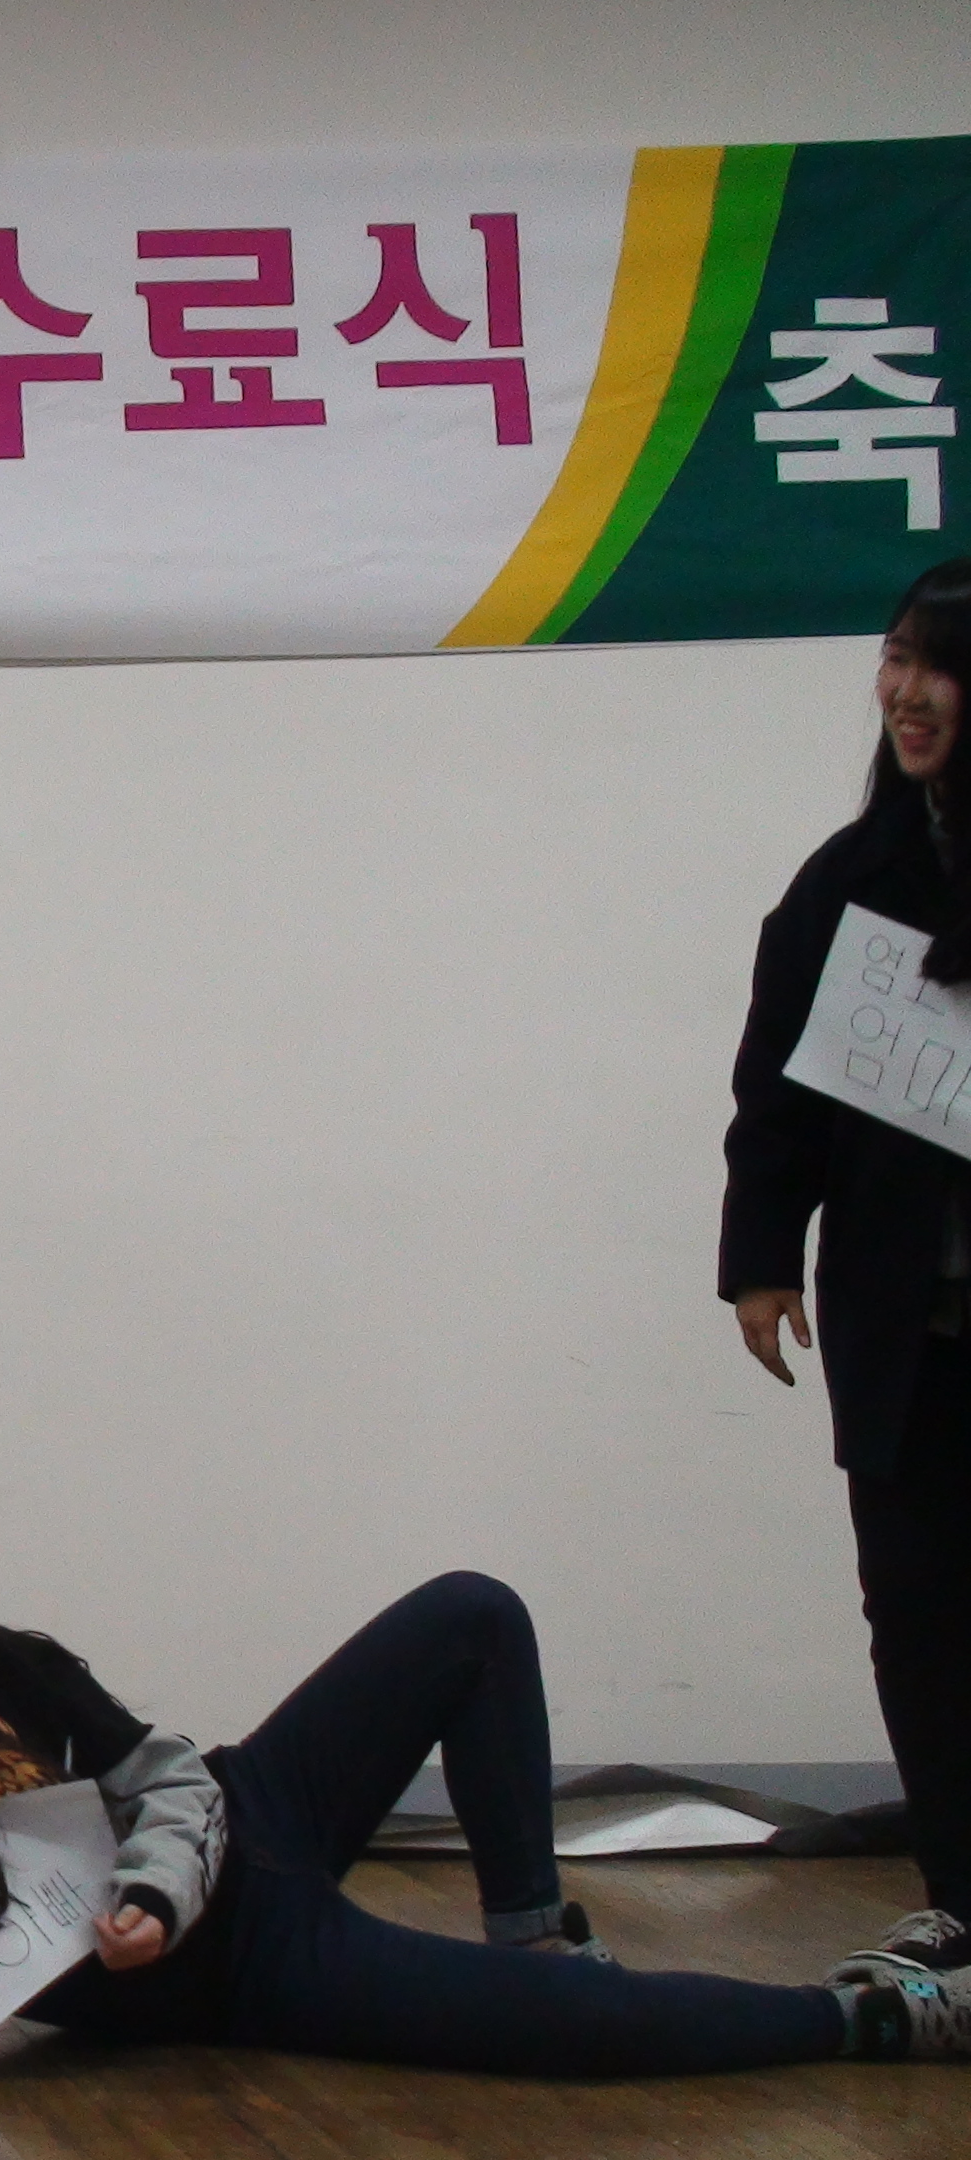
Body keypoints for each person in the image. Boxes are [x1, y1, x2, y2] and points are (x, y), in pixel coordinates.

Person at [0, 1499, 969, 2092]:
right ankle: (877, 2016)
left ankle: (534, 1934)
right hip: (247, 1968)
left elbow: (166, 1774)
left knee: (471, 1614)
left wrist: (156, 1886)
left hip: (250, 1816)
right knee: (584, 2033)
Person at [723, 556, 971, 1996]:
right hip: (910, 1328)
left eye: (939, 666)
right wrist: (761, 1260)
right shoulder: (850, 879)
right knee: (920, 1613)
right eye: (893, 659)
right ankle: (960, 1898)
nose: (904, 693)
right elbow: (778, 1094)